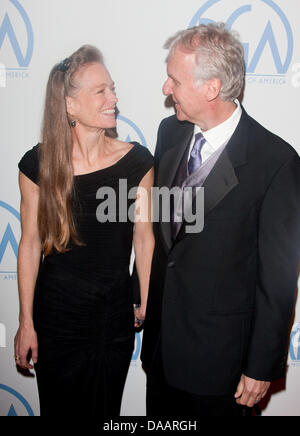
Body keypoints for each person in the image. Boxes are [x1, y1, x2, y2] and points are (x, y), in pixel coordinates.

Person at [141, 23, 300, 417]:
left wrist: (261, 366)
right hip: (161, 354)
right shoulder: (170, 133)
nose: (165, 89)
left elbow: (277, 280)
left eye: (174, 80)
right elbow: (166, 236)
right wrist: (139, 293)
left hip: (221, 369)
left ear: (212, 88)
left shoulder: (275, 163)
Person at [14, 45, 154, 417]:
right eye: (101, 91)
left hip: (113, 320)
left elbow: (144, 236)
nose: (114, 99)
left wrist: (145, 295)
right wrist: (25, 323)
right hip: (57, 320)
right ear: (69, 105)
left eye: (112, 88)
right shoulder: (38, 165)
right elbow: (28, 244)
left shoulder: (137, 162)